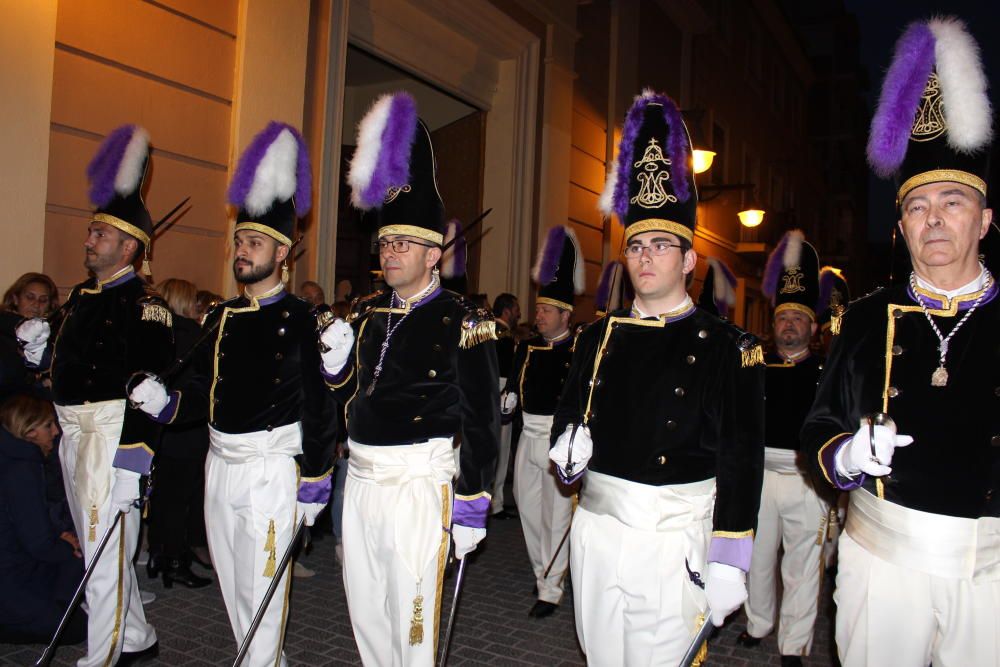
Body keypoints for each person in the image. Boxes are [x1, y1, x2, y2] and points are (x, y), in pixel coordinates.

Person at [802, 17, 1000, 667]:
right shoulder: (865, 316)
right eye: (918, 206)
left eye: (953, 201)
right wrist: (849, 456)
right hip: (882, 565)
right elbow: (820, 429)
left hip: (990, 575)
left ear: (985, 219)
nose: (935, 219)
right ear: (901, 225)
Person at [551, 89, 765, 665]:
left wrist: (730, 556)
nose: (646, 257)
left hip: (674, 540)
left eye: (662, 245)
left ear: (690, 259)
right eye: (637, 245)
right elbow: (572, 416)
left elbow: (741, 460)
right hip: (598, 529)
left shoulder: (730, 348)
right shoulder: (597, 337)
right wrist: (566, 450)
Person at [130, 122, 336, 667]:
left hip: (271, 469)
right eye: (240, 241)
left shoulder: (305, 319)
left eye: (255, 242)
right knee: (233, 579)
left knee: (265, 584)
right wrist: (168, 404)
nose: (242, 251)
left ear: (284, 253)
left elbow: (320, 406)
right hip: (219, 462)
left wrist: (315, 477)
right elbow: (202, 387)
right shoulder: (220, 316)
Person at [320, 91, 499, 665]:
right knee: (366, 608)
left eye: (404, 243)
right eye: (386, 242)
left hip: (420, 484)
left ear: (433, 254)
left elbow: (481, 419)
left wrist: (472, 499)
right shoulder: (367, 313)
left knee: (413, 617)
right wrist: (334, 368)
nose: (390, 251)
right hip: (363, 478)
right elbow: (347, 397)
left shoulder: (463, 320)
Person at [14, 124, 170, 666]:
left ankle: (100, 655)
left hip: (110, 438)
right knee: (102, 551)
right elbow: (67, 368)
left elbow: (152, 390)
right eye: (90, 232)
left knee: (105, 555)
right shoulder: (79, 297)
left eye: (99, 234)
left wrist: (134, 458)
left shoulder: (145, 307)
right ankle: (135, 636)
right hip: (71, 435)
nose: (87, 240)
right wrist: (38, 352)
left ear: (129, 246)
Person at [737, 232, 827, 667]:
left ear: (812, 326)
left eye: (798, 318)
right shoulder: (755, 366)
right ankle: (757, 624)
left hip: (807, 477)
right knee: (756, 557)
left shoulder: (826, 372)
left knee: (802, 567)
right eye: (783, 317)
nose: (789, 324)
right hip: (761, 475)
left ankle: (794, 644)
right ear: (773, 324)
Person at [505, 225, 583, 618]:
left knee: (558, 515)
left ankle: (551, 586)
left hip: (559, 439)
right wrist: (509, 398)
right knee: (527, 507)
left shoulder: (579, 348)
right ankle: (544, 571)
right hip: (528, 436)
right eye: (537, 309)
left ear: (565, 314)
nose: (538, 314)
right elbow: (519, 381)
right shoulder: (527, 345)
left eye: (545, 310)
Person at [0, 393, 86, 646]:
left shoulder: (12, 459)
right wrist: (66, 546)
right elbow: (37, 542)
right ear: (29, 432)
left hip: (13, 563)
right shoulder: (22, 470)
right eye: (48, 425)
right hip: (10, 575)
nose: (56, 432)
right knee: (76, 628)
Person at [144, 278, 211, 590]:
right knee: (180, 500)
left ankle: (159, 554)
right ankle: (175, 561)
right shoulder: (194, 335)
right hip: (187, 428)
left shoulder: (158, 333)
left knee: (163, 496)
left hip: (160, 427)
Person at [491, 292, 520, 520]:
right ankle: (496, 503)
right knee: (500, 450)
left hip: (484, 393)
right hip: (501, 393)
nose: (519, 314)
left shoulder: (484, 329)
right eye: (516, 309)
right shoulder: (506, 337)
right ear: (507, 310)